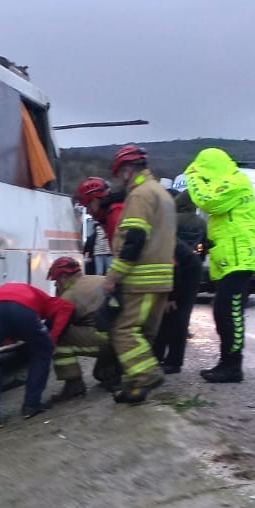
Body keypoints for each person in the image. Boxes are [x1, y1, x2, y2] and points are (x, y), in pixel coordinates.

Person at [101, 144, 176, 404]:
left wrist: (113, 276)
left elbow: (134, 239)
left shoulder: (140, 195)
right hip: (161, 279)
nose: (120, 177)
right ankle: (134, 388)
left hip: (141, 278)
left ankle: (146, 374)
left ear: (127, 170)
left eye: (120, 172)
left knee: (122, 330)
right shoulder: (162, 194)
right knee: (142, 335)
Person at [183, 148, 255, 383]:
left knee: (230, 312)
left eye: (204, 173)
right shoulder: (230, 181)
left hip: (239, 260)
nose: (202, 179)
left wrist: (193, 176)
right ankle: (227, 361)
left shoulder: (236, 182)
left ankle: (233, 365)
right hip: (230, 259)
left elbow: (210, 202)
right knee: (222, 311)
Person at [0, 281, 75, 430]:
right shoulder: (45, 298)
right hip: (22, 310)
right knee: (42, 351)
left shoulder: (0, 292)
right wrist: (52, 339)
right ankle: (31, 406)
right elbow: (66, 307)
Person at [47, 256, 117, 401]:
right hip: (122, 338)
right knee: (100, 374)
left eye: (56, 281)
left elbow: (56, 324)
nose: (56, 286)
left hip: (105, 340)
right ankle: (114, 371)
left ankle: (73, 385)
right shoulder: (98, 278)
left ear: (64, 277)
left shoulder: (70, 294)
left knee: (59, 337)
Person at [152, 191, 207, 374]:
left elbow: (172, 261)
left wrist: (171, 294)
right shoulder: (201, 222)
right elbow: (204, 246)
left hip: (179, 264)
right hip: (192, 266)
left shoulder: (170, 222)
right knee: (182, 316)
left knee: (167, 314)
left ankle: (167, 360)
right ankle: (171, 359)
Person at [76, 177, 124, 244]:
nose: (87, 212)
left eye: (87, 206)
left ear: (94, 202)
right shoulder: (110, 214)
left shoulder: (114, 215)